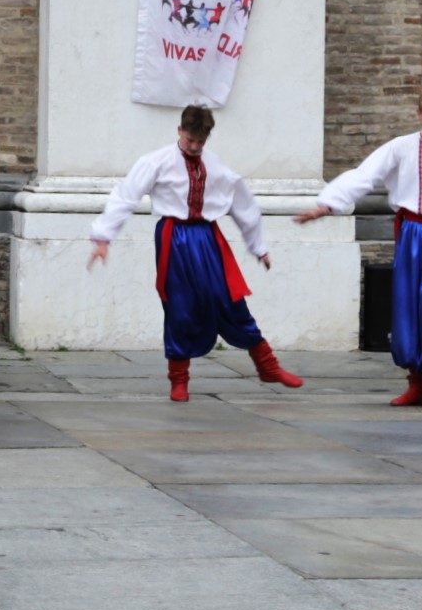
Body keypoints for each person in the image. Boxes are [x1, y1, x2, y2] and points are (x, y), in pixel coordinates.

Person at [297, 88, 422, 409]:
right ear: (418, 114)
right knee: (407, 306)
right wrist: (328, 204)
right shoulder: (400, 147)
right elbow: (365, 175)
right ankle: (414, 381)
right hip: (410, 232)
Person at [89, 105, 303, 401]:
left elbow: (243, 205)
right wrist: (103, 238)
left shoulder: (215, 165)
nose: (194, 146)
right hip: (173, 237)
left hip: (207, 236)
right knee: (180, 304)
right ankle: (179, 380)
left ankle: (267, 365)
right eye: (190, 140)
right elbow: (126, 195)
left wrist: (258, 247)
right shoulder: (156, 162)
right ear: (180, 131)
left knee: (228, 298)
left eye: (200, 142)